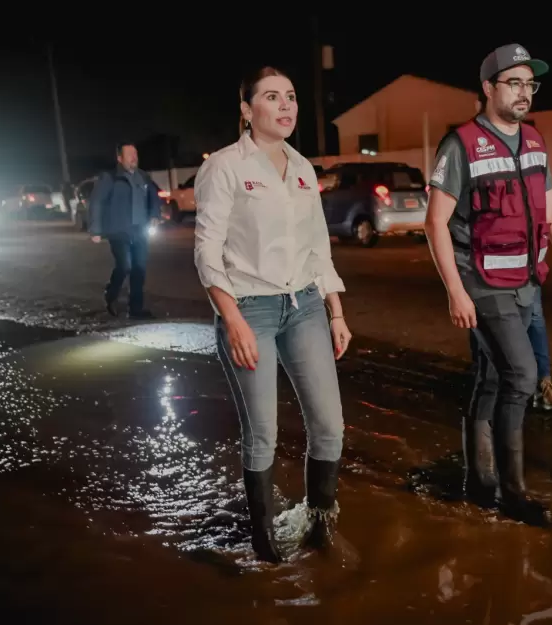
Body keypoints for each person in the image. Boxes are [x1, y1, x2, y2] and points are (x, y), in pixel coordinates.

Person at [425, 44, 552, 525]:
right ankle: (513, 493)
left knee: (494, 377)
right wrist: (456, 291)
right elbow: (436, 223)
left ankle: (480, 485)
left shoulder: (535, 142)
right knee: (523, 374)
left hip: (525, 281)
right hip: (481, 281)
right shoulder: (461, 145)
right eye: (514, 83)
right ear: (488, 89)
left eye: (530, 84)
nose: (524, 93)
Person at [193, 66, 352, 563]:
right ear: (246, 110)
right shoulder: (223, 167)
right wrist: (232, 318)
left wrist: (336, 310)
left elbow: (318, 247)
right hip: (250, 311)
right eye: (271, 97)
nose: (285, 105)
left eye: (290, 96)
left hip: (304, 305)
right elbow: (206, 251)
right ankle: (265, 543)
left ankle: (320, 522)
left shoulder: (303, 168)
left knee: (330, 425)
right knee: (263, 431)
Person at [474, 91, 552, 412]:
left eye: (529, 84)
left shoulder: (532, 144)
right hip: (487, 275)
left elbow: (550, 209)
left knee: (536, 322)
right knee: (492, 346)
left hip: (527, 268)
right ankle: (495, 395)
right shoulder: (468, 148)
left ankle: (541, 384)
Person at [88, 142, 161, 319]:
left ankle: (135, 309)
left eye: (135, 154)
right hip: (118, 230)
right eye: (129, 155)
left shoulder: (143, 176)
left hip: (140, 230)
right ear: (119, 158)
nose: (133, 158)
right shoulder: (110, 177)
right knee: (125, 265)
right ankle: (111, 295)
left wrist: (154, 215)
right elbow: (97, 202)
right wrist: (96, 229)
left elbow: (154, 197)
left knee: (139, 269)